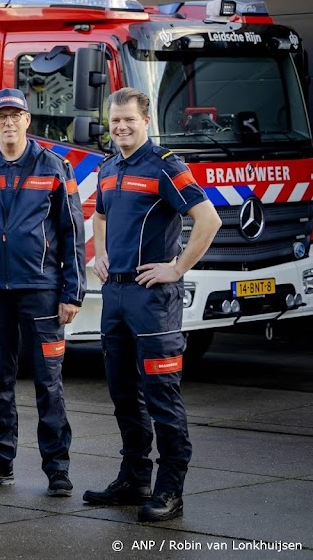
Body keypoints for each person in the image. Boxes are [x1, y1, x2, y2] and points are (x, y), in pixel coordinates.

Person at [84, 88, 220, 522]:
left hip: (153, 300)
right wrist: (100, 252)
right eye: (115, 120)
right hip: (116, 295)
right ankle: (134, 478)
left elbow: (209, 219)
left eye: (129, 120)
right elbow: (100, 216)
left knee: (161, 395)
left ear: (145, 122)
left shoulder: (166, 166)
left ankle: (170, 489)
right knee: (123, 392)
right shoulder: (107, 169)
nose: (121, 126)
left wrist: (177, 268)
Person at [0, 88, 85, 498]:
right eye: (0, 117)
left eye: (15, 116)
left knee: (49, 382)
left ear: (28, 121)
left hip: (42, 291)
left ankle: (58, 469)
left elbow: (72, 233)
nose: (8, 123)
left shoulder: (55, 167)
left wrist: (73, 291)